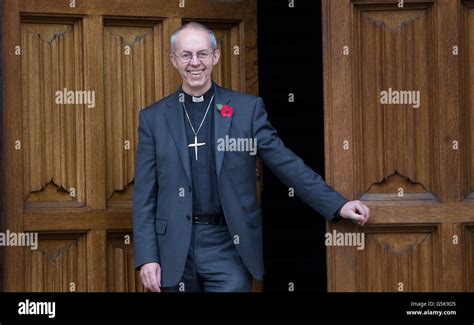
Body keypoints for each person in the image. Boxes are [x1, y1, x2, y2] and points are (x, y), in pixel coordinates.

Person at [133, 22, 370, 292]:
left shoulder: (246, 110)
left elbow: (285, 163)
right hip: (173, 248)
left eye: (202, 54)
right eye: (186, 55)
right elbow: (144, 195)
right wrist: (147, 256)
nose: (194, 62)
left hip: (228, 244)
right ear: (174, 60)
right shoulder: (153, 119)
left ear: (216, 56)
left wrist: (337, 205)